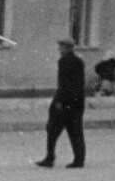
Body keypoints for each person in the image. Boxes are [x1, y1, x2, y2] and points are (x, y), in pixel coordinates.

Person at [36, 37, 86, 169]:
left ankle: (50, 157)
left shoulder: (64, 61)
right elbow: (79, 84)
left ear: (65, 48)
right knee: (76, 132)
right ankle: (79, 159)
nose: (59, 49)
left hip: (64, 103)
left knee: (52, 129)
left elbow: (63, 84)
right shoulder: (79, 61)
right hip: (77, 102)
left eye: (61, 47)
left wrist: (59, 101)